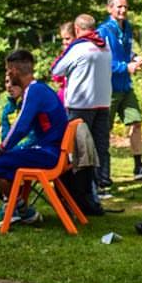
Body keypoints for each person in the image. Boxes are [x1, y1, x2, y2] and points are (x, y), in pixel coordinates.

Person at [0, 49, 68, 227]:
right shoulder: (39, 89)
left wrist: (1, 149)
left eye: (7, 71)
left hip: (49, 154)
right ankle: (18, 208)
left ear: (13, 71)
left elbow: (21, 126)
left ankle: (20, 209)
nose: (7, 74)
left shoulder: (34, 91)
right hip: (52, 150)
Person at [98, 0, 142, 183]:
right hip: (108, 89)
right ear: (110, 9)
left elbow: (125, 51)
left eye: (125, 6)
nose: (123, 10)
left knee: (136, 122)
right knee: (102, 132)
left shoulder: (128, 27)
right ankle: (101, 174)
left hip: (126, 87)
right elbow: (102, 61)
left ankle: (139, 166)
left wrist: (134, 58)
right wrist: (126, 66)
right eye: (119, 6)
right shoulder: (103, 31)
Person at [50, 14, 112, 197]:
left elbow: (56, 70)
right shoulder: (105, 46)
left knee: (79, 151)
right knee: (101, 147)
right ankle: (102, 183)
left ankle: (83, 190)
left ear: (77, 29)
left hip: (81, 105)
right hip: (103, 103)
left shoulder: (79, 48)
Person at [51, 21, 75, 104]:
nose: (64, 42)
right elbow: (56, 76)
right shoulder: (64, 55)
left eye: (67, 38)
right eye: (63, 39)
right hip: (64, 94)